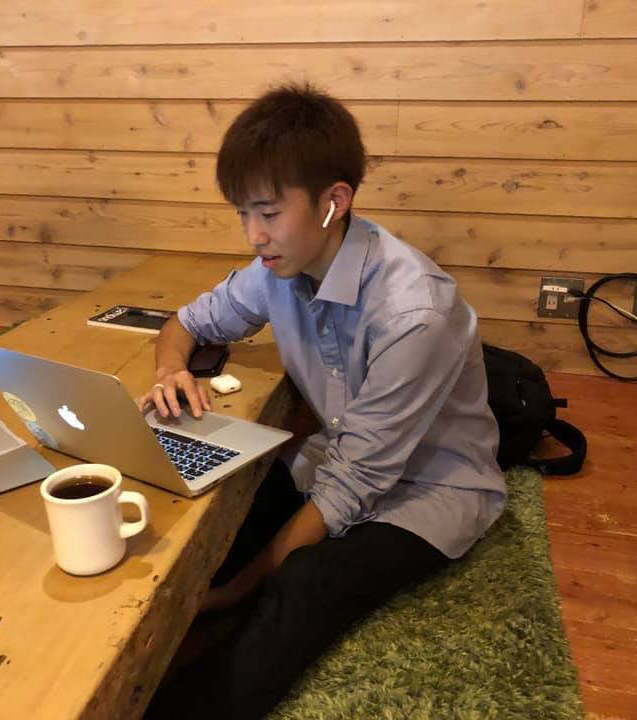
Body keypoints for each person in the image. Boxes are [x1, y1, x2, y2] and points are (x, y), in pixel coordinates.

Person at [139, 83, 507, 719]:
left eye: (268, 213)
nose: (254, 235)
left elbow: (354, 484)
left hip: (433, 488)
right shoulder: (277, 269)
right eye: (243, 214)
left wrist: (235, 592)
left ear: (334, 203)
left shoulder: (413, 311)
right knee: (220, 514)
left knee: (302, 583)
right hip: (342, 456)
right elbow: (186, 322)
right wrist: (171, 370)